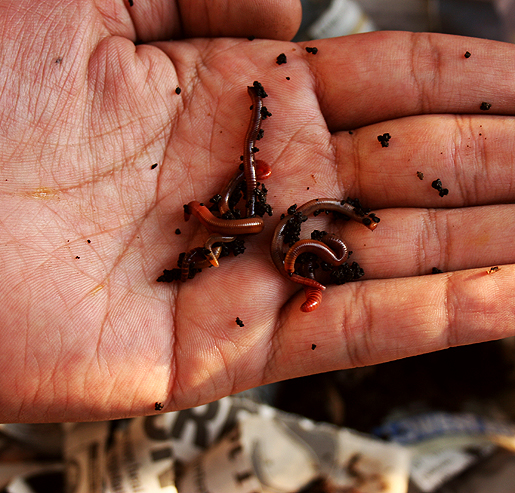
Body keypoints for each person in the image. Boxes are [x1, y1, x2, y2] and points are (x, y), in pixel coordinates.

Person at [1, 0, 514, 424]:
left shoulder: (282, 239)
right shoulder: (260, 231)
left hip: (270, 231)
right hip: (257, 228)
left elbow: (281, 220)